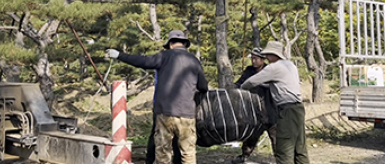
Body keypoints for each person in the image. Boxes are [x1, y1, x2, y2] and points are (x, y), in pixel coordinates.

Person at [106, 29, 208, 164]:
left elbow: (142, 61)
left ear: (171, 44)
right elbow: (203, 87)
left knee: (163, 153)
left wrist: (119, 55)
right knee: (188, 154)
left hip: (164, 113)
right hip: (186, 114)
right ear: (184, 44)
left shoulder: (163, 57)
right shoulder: (194, 61)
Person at [241, 41, 309, 164]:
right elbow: (280, 84)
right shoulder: (290, 65)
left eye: (267, 54)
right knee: (300, 148)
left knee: (284, 150)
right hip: (298, 109)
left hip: (286, 110)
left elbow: (250, 82)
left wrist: (241, 89)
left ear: (274, 54)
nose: (266, 57)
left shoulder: (274, 67)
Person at [232, 47, 277, 164]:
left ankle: (281, 159)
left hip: (269, 108)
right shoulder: (249, 70)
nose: (253, 61)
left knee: (275, 136)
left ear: (262, 59)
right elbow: (240, 82)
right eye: (252, 58)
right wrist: (234, 87)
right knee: (250, 135)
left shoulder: (269, 70)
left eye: (256, 59)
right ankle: (244, 156)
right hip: (253, 111)